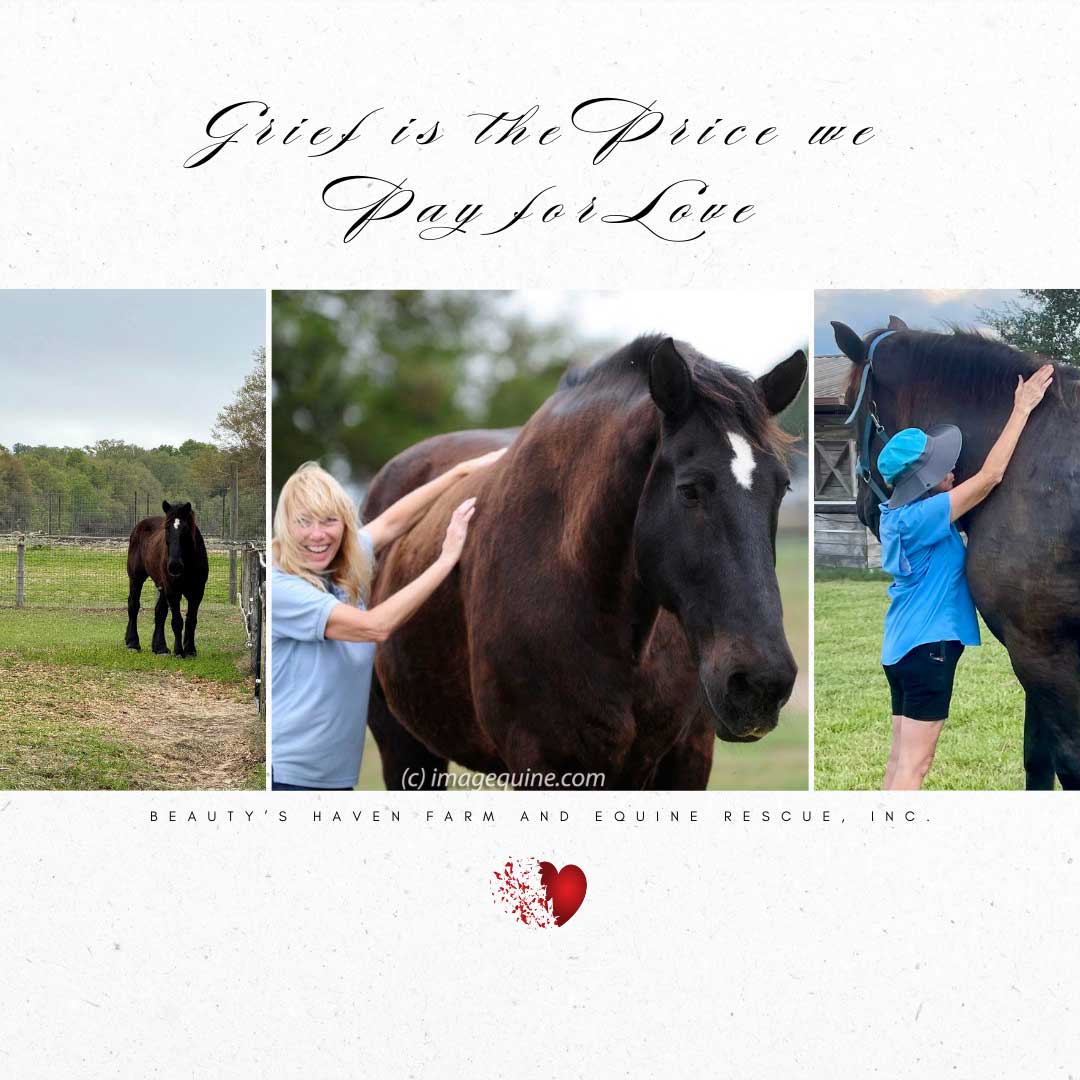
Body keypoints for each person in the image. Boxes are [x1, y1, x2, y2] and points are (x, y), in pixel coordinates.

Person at [271, 451, 505, 791]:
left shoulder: (341, 563)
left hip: (333, 776)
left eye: (329, 521)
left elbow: (392, 523)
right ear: (286, 525)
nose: (318, 535)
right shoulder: (285, 589)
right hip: (291, 777)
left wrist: (461, 470)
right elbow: (374, 626)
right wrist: (445, 559)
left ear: (344, 523)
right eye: (304, 522)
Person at [878, 363, 1054, 791]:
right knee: (915, 767)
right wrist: (1022, 409)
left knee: (899, 760)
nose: (952, 470)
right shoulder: (925, 516)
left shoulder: (895, 517)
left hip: (900, 650)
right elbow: (991, 476)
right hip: (927, 651)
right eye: (943, 470)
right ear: (924, 483)